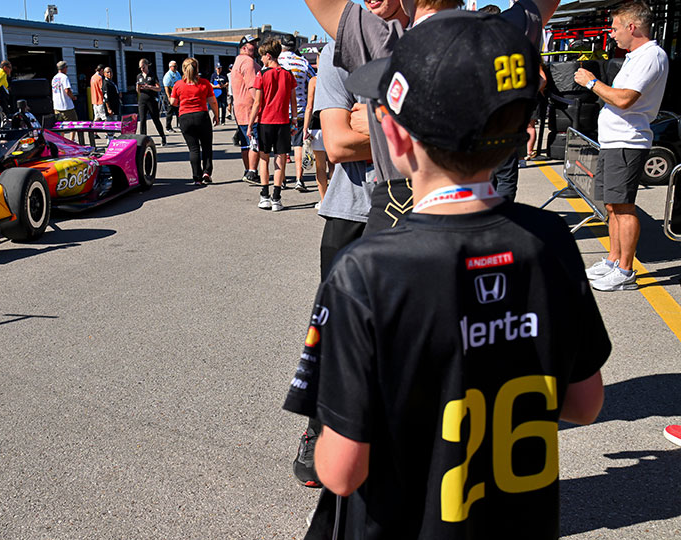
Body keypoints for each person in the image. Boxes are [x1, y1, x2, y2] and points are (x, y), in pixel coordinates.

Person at [283, 14, 609, 539]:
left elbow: (341, 472)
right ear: (517, 134)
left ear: (394, 136)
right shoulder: (550, 240)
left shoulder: (366, 270)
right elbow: (584, 403)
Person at [304, 0, 557, 234]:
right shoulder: (499, 36)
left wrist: (376, 124)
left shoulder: (389, 43)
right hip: (484, 214)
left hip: (396, 217)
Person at [291, 0, 411, 487]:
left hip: (414, 213)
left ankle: (389, 434)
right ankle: (320, 426)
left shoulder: (428, 41)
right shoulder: (338, 51)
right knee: (337, 332)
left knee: (402, 334)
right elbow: (337, 143)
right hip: (351, 213)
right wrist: (402, 126)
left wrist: (370, 121)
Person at [575, 1, 669, 292]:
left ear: (632, 27)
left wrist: (592, 83)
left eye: (615, 28)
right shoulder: (635, 56)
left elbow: (625, 98)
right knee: (612, 206)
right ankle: (615, 260)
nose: (612, 34)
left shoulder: (651, 55)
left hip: (627, 142)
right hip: (615, 141)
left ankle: (625, 271)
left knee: (624, 207)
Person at [249, 39, 297, 212]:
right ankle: (276, 198)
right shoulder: (288, 74)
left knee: (264, 158)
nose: (260, 59)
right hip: (283, 121)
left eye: (262, 56)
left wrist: (250, 124)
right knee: (280, 159)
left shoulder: (261, 75)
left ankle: (264, 195)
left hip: (265, 121)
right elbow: (293, 101)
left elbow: (257, 103)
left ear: (268, 56)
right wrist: (295, 119)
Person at [170, 57, 219, 185]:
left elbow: (173, 102)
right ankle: (207, 172)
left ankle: (197, 178)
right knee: (206, 146)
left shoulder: (178, 85)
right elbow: (213, 101)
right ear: (197, 69)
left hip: (185, 117)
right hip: (201, 116)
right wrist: (217, 115)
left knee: (194, 149)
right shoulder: (204, 83)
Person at [279, 34, 317, 192]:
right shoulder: (303, 62)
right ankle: (299, 179)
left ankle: (280, 180)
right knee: (298, 145)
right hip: (300, 110)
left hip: (279, 111)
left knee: (280, 147)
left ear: (281, 45)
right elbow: (313, 81)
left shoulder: (277, 61)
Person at [232, 35, 261, 184]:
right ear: (244, 47)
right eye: (252, 44)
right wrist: (260, 103)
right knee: (254, 141)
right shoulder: (248, 62)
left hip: (240, 108)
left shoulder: (238, 61)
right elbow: (252, 87)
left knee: (245, 142)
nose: (255, 46)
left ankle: (248, 169)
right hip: (250, 109)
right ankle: (252, 172)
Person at [304, 74, 332, 208]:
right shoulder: (336, 77)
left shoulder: (314, 81)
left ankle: (324, 200)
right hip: (334, 123)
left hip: (317, 124)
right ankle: (335, 199)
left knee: (320, 166)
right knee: (334, 165)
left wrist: (305, 128)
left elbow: (309, 106)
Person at [136, 58, 167, 146]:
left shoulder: (152, 75)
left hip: (151, 100)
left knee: (155, 119)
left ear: (147, 65)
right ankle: (143, 139)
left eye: (143, 67)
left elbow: (159, 88)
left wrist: (150, 87)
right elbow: (138, 91)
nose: (142, 69)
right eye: (140, 68)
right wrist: (138, 86)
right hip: (142, 100)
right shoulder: (139, 76)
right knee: (142, 120)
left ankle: (163, 136)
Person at [52, 60, 78, 141]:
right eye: (66, 67)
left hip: (57, 106)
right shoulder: (64, 77)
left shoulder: (54, 78)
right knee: (73, 124)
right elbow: (67, 90)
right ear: (64, 68)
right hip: (66, 106)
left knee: (61, 125)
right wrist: (73, 97)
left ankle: (62, 140)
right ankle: (71, 140)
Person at [163, 60, 182, 131]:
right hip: (171, 94)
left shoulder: (177, 73)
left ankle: (180, 125)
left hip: (177, 95)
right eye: (174, 66)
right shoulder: (168, 75)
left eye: (176, 66)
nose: (176, 67)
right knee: (170, 112)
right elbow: (166, 87)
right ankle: (168, 127)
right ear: (170, 67)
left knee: (179, 111)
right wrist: (169, 97)